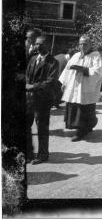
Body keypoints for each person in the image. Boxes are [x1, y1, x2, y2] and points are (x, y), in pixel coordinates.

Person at [59, 35, 102, 141]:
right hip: (74, 86)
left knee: (84, 109)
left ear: (90, 44)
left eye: (85, 44)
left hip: (86, 87)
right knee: (74, 107)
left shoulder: (95, 55)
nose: (83, 46)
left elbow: (98, 71)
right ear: (78, 45)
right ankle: (85, 127)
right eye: (81, 44)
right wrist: (64, 83)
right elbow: (67, 70)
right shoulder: (75, 55)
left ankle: (81, 132)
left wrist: (84, 70)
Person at [25, 35, 59, 164]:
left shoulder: (53, 62)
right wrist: (27, 85)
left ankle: (43, 154)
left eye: (41, 44)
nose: (38, 46)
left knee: (42, 128)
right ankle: (28, 153)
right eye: (37, 44)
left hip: (43, 100)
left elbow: (50, 82)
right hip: (29, 99)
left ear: (48, 45)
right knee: (26, 126)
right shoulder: (33, 59)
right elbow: (28, 75)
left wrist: (32, 86)